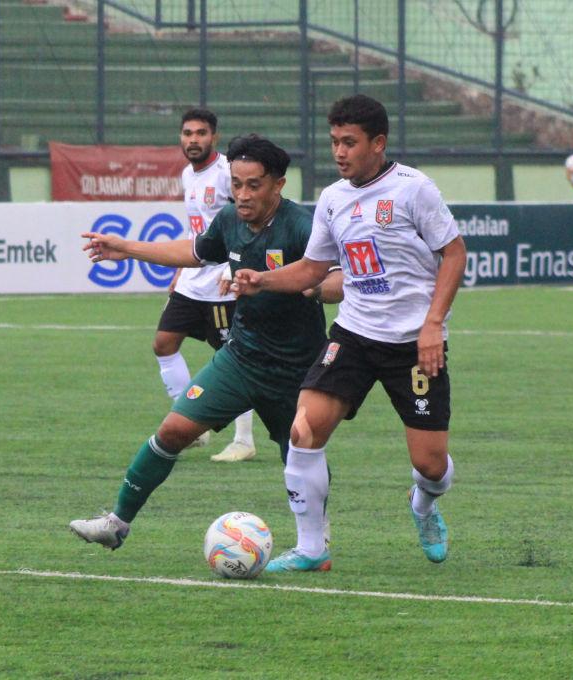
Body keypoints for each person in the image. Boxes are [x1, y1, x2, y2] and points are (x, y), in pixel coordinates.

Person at [69, 135, 343, 550]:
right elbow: (196, 252)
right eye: (236, 184)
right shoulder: (230, 220)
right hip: (241, 358)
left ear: (278, 185)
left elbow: (338, 280)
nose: (243, 194)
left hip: (296, 369)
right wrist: (127, 248)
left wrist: (311, 288)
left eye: (254, 185)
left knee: (299, 453)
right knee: (173, 429)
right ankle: (117, 523)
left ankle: (314, 538)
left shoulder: (303, 227)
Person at [230, 94, 466, 572]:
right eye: (334, 141)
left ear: (377, 144)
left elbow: (455, 254)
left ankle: (422, 504)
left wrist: (433, 324)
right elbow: (315, 268)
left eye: (349, 142)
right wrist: (262, 280)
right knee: (304, 429)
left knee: (431, 465)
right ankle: (312, 549)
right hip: (354, 334)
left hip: (412, 343)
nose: (339, 152)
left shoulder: (413, 189)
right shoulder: (334, 199)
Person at [157, 108, 258, 462]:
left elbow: (248, 221)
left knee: (233, 358)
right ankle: (191, 424)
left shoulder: (228, 174)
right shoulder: (188, 174)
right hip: (193, 278)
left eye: (201, 133)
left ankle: (244, 440)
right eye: (187, 133)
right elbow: (195, 229)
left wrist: (236, 267)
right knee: (164, 343)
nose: (193, 139)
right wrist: (179, 269)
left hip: (221, 281)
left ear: (214, 137)